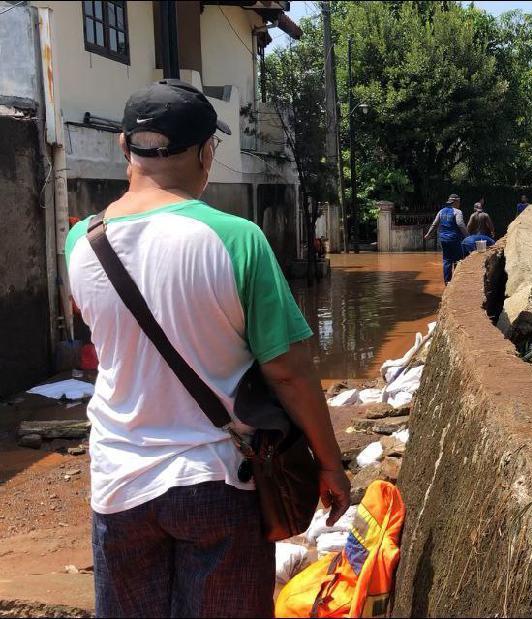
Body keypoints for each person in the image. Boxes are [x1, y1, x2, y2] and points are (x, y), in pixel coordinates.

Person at [64, 79, 350, 618]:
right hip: (219, 480)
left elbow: (106, 342)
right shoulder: (238, 239)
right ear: (206, 152)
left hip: (118, 482)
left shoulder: (80, 241)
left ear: (125, 147)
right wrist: (330, 466)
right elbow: (288, 372)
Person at [424, 193, 468, 283]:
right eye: (459, 202)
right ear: (455, 202)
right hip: (455, 239)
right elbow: (460, 224)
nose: (459, 204)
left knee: (447, 260)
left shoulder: (441, 211)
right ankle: (456, 281)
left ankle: (447, 282)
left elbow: (434, 224)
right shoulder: (457, 211)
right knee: (458, 259)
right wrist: (468, 236)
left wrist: (428, 234)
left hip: (443, 239)